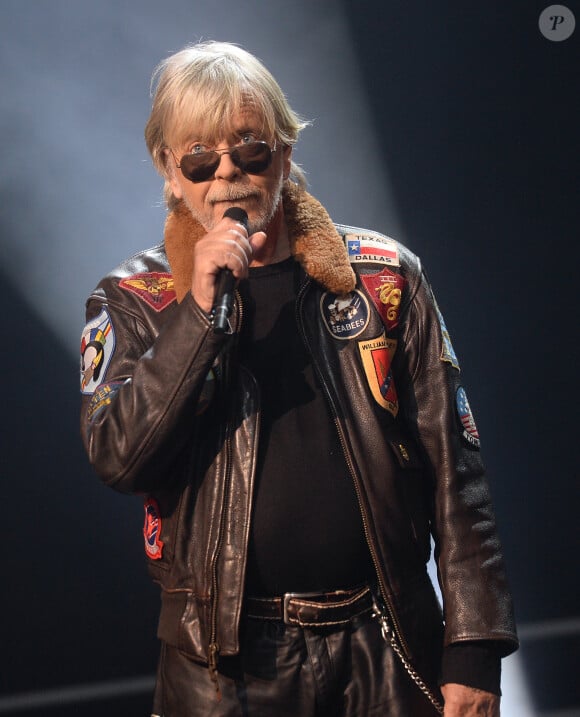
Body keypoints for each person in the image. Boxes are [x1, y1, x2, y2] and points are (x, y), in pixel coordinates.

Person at [80, 41, 518, 717]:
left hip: (388, 642)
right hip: (223, 669)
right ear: (169, 170)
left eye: (249, 149)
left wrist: (474, 649)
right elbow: (120, 455)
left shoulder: (385, 277)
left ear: (283, 154)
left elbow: (456, 472)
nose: (226, 173)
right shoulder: (134, 301)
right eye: (199, 157)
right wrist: (200, 315)